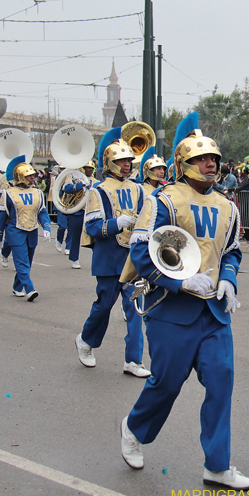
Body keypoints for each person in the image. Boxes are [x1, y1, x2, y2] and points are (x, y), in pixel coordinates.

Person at [120, 112, 249, 490]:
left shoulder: (229, 206)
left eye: (214, 158)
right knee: (167, 383)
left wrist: (228, 279)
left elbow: (232, 251)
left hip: (213, 311)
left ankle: (217, 465)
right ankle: (133, 428)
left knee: (221, 381)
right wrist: (179, 283)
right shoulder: (164, 199)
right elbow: (142, 252)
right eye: (201, 158)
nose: (210, 163)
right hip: (171, 308)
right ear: (182, 163)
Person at [73, 127, 149, 377]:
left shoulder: (138, 189)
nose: (126, 165)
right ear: (109, 163)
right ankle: (85, 340)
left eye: (128, 160)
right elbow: (92, 227)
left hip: (133, 260)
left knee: (136, 308)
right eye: (121, 160)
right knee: (104, 306)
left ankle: (133, 360)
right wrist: (118, 223)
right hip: (109, 258)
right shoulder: (98, 190)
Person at [0, 156, 51, 302]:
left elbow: (42, 211)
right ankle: (29, 289)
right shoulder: (8, 193)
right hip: (15, 231)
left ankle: (17, 287)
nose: (33, 178)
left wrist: (46, 227)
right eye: (29, 176)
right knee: (21, 262)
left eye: (33, 175)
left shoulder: (37, 192)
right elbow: (2, 217)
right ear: (20, 177)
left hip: (32, 230)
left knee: (28, 262)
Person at [62, 160, 99, 269]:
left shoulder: (95, 181)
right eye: (88, 168)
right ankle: (75, 259)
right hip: (77, 211)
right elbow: (66, 188)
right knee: (75, 236)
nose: (90, 170)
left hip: (90, 211)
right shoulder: (73, 176)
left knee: (95, 237)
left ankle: (97, 259)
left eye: (92, 168)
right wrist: (79, 185)